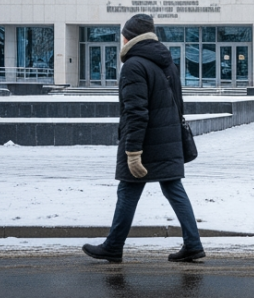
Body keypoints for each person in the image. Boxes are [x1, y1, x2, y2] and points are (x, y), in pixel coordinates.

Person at [83, 13, 205, 263]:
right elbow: (178, 105)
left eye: (123, 35)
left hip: (145, 142)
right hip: (168, 139)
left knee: (128, 190)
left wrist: (133, 152)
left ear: (130, 37)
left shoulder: (133, 65)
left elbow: (136, 112)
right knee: (173, 189)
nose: (122, 39)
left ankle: (113, 246)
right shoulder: (167, 62)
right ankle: (193, 244)